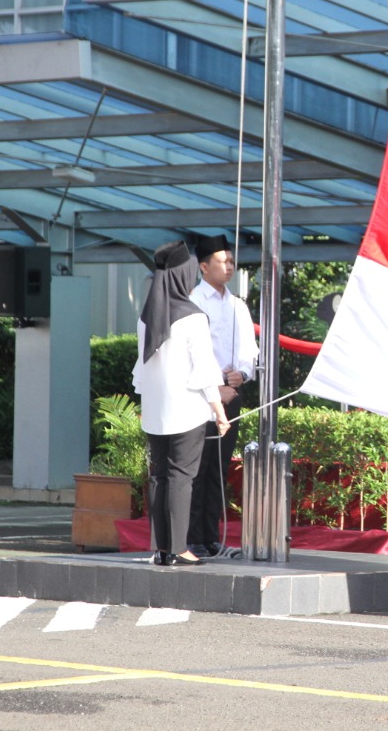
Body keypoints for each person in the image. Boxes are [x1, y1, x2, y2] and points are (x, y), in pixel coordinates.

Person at [132, 240, 230, 567]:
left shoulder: (145, 318)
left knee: (160, 477)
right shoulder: (193, 317)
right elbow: (204, 371)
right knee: (181, 477)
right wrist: (218, 411)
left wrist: (147, 402)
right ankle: (179, 548)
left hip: (155, 412)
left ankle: (161, 549)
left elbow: (140, 370)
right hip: (187, 411)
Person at [187, 234, 259, 558]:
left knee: (219, 467)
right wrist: (217, 381)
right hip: (200, 395)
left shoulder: (238, 305)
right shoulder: (193, 301)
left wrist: (241, 374)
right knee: (197, 467)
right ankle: (191, 538)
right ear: (204, 266)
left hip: (232, 393)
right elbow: (191, 353)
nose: (229, 266)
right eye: (222, 261)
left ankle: (211, 536)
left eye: (231, 261)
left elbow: (249, 352)